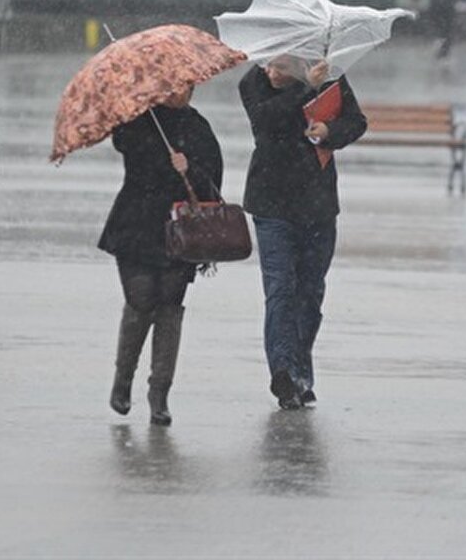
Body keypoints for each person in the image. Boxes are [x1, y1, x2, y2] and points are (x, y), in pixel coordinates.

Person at [239, 55, 366, 409]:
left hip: (318, 205)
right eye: (268, 65)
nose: (271, 72)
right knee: (280, 288)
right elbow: (265, 120)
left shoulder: (331, 79)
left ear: (297, 62)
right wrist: (305, 88)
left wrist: (331, 132)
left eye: (279, 67)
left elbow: (356, 122)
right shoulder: (253, 82)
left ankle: (300, 373)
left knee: (310, 293)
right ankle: (282, 371)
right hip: (271, 204)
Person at [99, 86, 223, 426]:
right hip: (135, 223)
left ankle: (160, 392)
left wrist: (189, 168)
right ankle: (123, 380)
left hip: (179, 230)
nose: (178, 93)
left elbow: (213, 186)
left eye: (186, 87)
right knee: (140, 300)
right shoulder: (139, 119)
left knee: (169, 306)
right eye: (172, 87)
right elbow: (124, 143)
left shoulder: (198, 127)